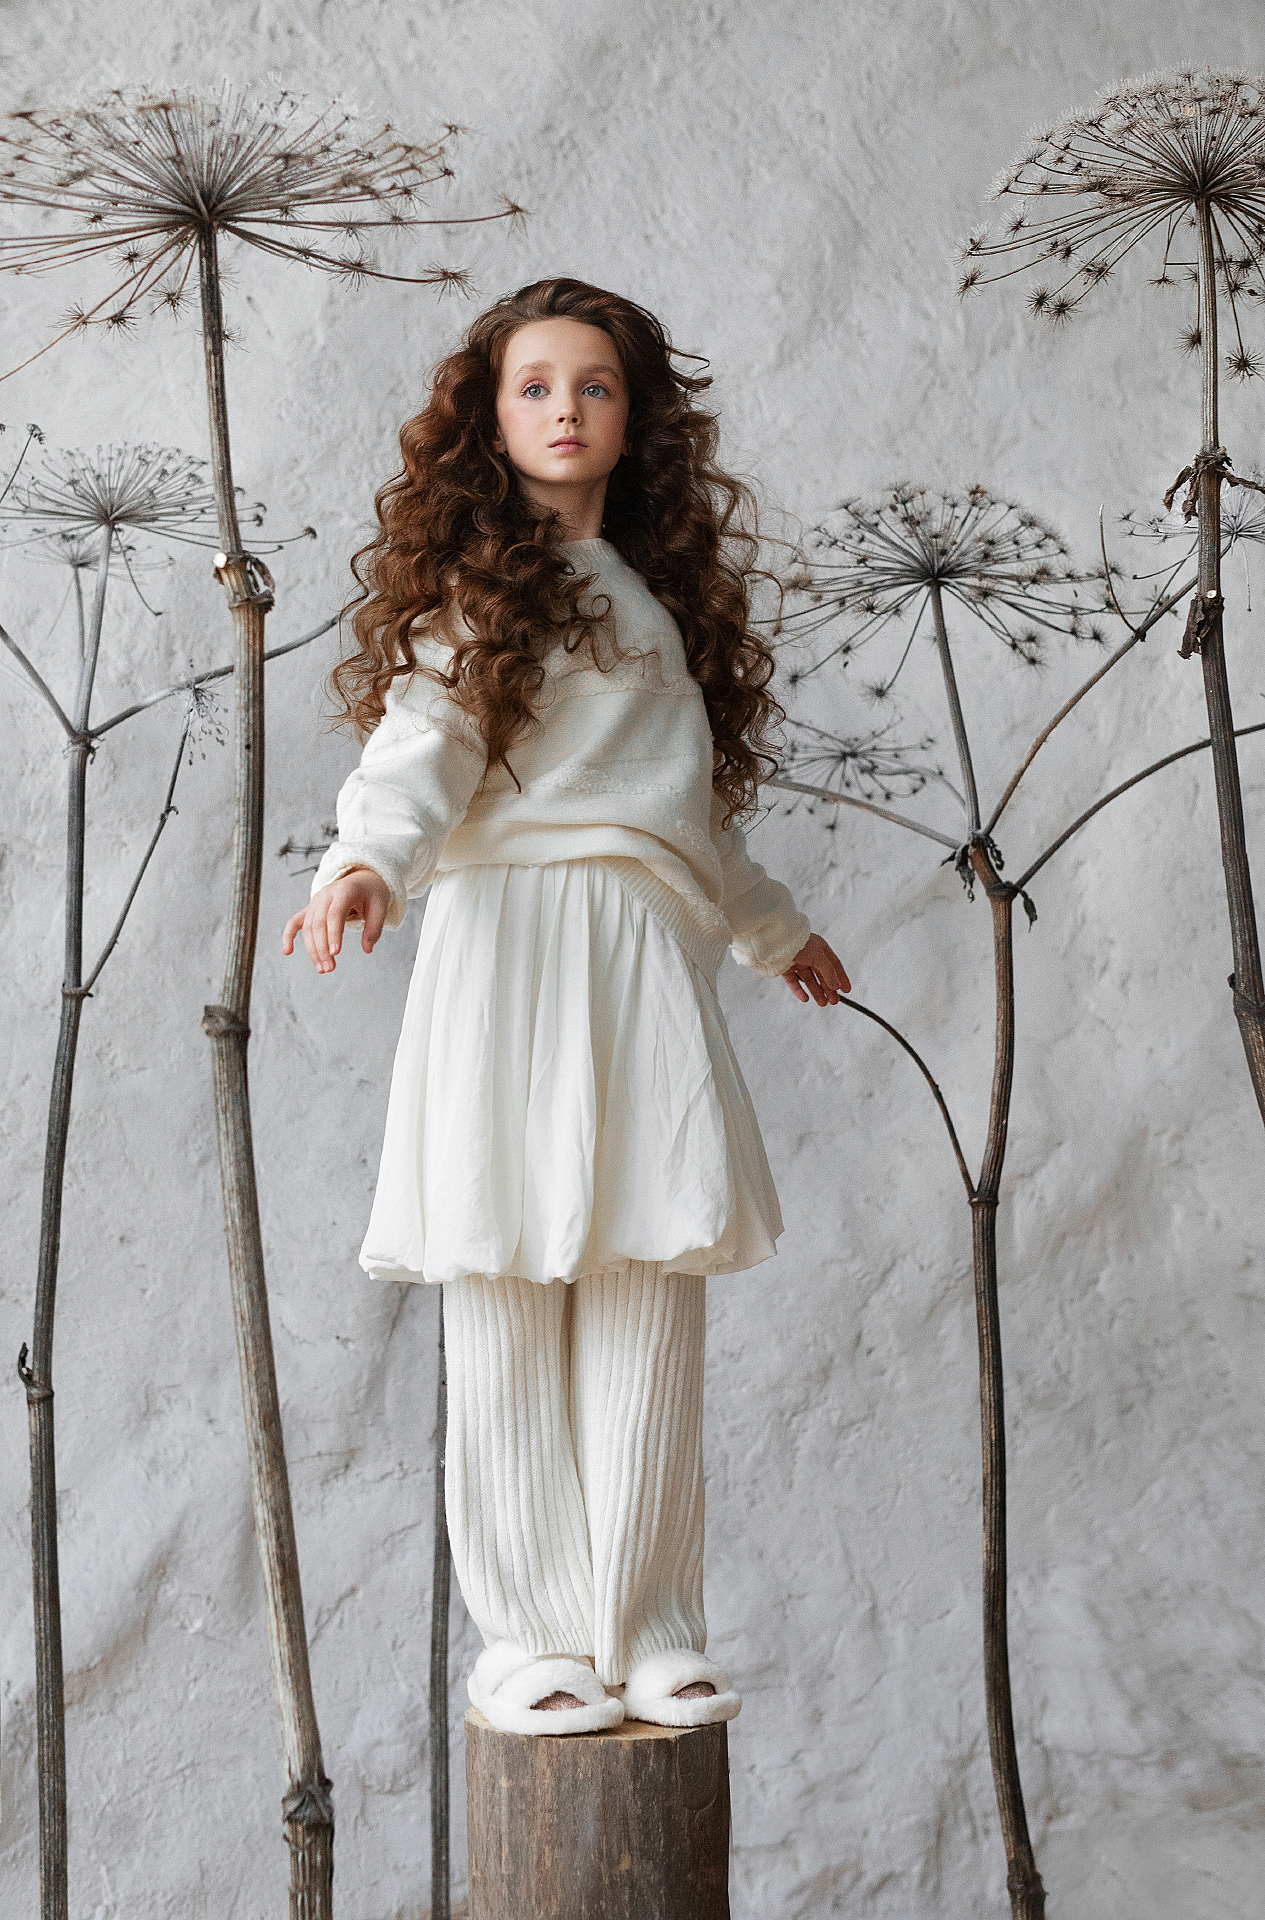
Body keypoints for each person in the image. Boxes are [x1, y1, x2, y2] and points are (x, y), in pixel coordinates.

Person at [283, 278, 850, 1737]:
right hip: (509, 949)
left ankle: (648, 1626)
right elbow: (419, 749)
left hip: (643, 954)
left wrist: (774, 931)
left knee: (648, 1269)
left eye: (593, 384)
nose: (564, 410)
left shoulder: (656, 606)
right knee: (506, 1271)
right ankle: (532, 1634)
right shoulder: (480, 595)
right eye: (533, 385)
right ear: (486, 418)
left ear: (634, 415)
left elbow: (685, 815)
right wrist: (364, 865)